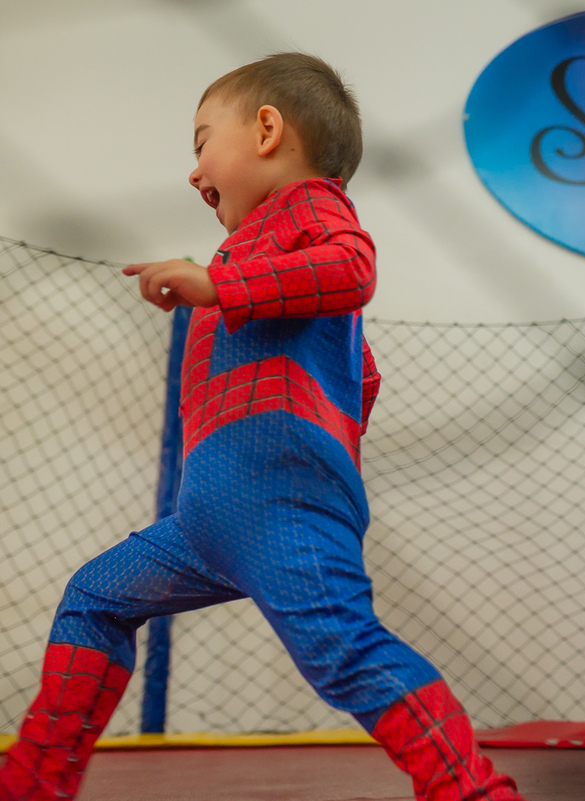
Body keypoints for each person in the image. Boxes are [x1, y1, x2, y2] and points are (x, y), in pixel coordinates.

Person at [0, 53, 522, 801]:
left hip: (277, 497)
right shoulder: (247, 246)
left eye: (202, 140)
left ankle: (473, 789)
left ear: (268, 130)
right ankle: (32, 781)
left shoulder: (309, 206)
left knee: (340, 648)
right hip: (207, 518)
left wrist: (220, 286)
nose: (193, 170)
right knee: (96, 596)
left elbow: (353, 266)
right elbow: (360, 370)